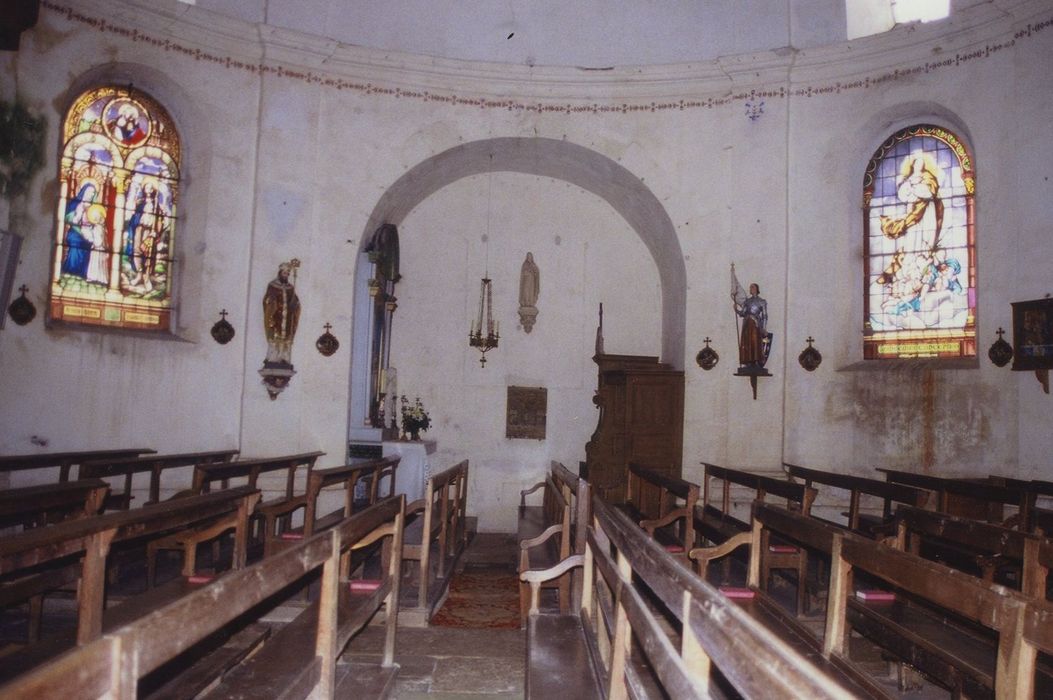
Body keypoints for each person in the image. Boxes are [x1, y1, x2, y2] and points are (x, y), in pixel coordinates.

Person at [263, 260, 301, 365]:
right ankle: (272, 359)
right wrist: (272, 303)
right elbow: (267, 300)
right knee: (275, 337)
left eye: (288, 274)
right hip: (276, 316)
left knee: (286, 338)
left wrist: (295, 304)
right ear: (280, 273)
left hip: (287, 318)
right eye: (285, 273)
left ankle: (284, 359)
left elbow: (295, 303)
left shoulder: (290, 288)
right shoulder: (272, 286)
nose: (286, 275)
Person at [60, 183, 97, 279]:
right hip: (75, 232)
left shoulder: (94, 207)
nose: (91, 195)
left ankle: (82, 273)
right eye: (89, 192)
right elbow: (68, 217)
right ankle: (71, 270)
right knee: (76, 241)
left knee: (87, 245)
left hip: (88, 233)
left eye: (93, 193)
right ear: (84, 191)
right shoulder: (75, 203)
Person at [734, 283, 768, 367]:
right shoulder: (747, 301)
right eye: (750, 287)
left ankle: (756, 360)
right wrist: (736, 310)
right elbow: (743, 313)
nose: (750, 289)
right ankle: (748, 360)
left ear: (756, 289)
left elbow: (764, 316)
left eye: (752, 287)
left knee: (755, 342)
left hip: (755, 324)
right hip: (747, 323)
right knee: (747, 342)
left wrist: (763, 328)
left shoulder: (762, 301)